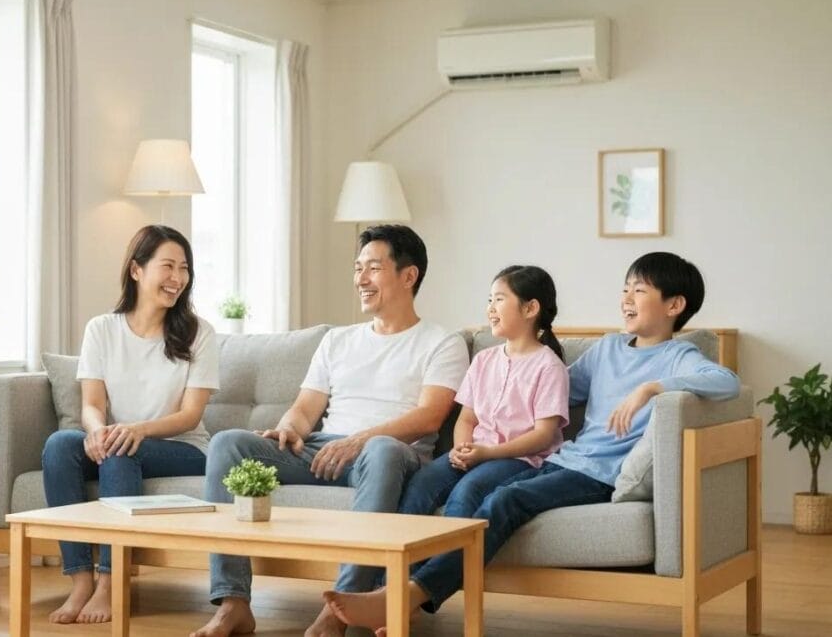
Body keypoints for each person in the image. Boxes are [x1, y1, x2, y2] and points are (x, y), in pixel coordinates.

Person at [326, 251, 741, 633]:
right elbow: (555, 390)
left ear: (674, 305)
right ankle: (395, 594)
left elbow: (727, 382)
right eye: (625, 288)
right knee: (486, 495)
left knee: (504, 501)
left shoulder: (678, 356)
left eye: (640, 290)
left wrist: (651, 388)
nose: (627, 298)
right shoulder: (608, 348)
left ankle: (407, 595)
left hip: (600, 474)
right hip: (566, 461)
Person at [189, 225, 469, 637]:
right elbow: (306, 408)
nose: (360, 279)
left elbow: (429, 417)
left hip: (389, 454)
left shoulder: (442, 342)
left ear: (408, 276)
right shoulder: (339, 340)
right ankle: (233, 602)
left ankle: (341, 607)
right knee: (230, 444)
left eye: (373, 268)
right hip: (325, 448)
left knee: (383, 450)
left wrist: (362, 440)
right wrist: (287, 428)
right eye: (358, 269)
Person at [322, 265, 569, 630]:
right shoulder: (484, 359)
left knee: (467, 492)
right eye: (489, 299)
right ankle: (387, 591)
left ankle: (409, 598)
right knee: (419, 485)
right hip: (474, 452)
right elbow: (466, 418)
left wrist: (486, 454)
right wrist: (462, 448)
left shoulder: (549, 366)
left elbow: (544, 435)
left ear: (531, 309)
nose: (490, 307)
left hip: (518, 458)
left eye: (499, 299)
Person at [41, 225, 219, 624]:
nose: (178, 278)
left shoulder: (198, 333)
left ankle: (111, 582)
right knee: (59, 445)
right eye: (168, 266)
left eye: (184, 269)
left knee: (123, 450)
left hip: (184, 447)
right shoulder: (102, 329)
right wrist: (96, 431)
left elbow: (190, 415)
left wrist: (136, 430)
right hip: (120, 439)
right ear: (137, 270)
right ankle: (81, 580)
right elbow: (91, 403)